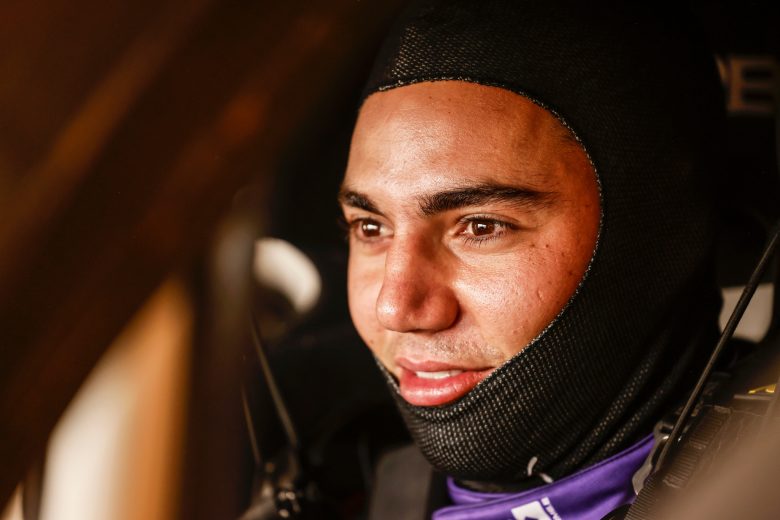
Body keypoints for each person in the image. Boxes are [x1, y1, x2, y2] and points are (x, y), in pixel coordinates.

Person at [337, 1, 726, 518]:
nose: (396, 309)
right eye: (371, 227)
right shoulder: (346, 488)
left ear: (656, 234)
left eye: (482, 227)